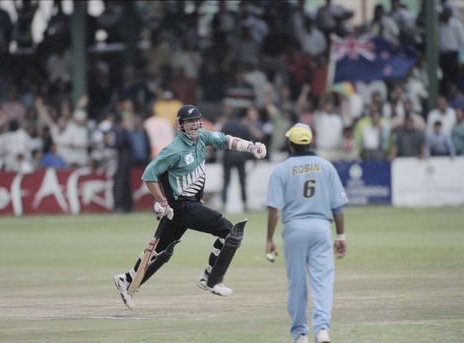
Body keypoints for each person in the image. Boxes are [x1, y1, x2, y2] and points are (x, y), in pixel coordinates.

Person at [114, 104, 267, 309]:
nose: (194, 125)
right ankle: (210, 279)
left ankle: (126, 279)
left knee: (161, 251)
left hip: (185, 206)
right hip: (182, 205)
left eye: (196, 121)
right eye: (188, 122)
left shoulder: (202, 137)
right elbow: (149, 175)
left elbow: (224, 140)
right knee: (229, 231)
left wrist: (250, 146)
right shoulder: (173, 150)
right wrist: (162, 201)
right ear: (180, 125)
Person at [265, 123, 349, 343]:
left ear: (290, 144)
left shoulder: (281, 169)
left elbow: (274, 209)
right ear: (310, 142)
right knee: (323, 280)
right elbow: (337, 207)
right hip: (321, 228)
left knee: (297, 282)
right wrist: (340, 236)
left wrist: (269, 239)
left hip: (294, 229)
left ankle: (300, 334)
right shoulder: (326, 166)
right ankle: (322, 330)